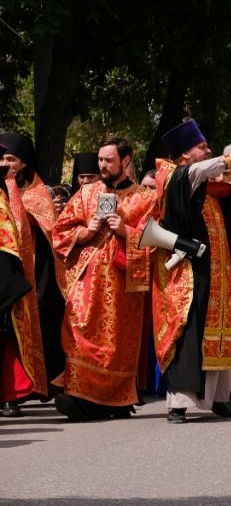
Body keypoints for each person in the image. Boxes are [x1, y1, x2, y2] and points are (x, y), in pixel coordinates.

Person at [151, 123, 231, 423]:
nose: (208, 151)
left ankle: (218, 396)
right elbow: (195, 173)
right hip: (188, 273)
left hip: (221, 272)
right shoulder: (174, 175)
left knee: (221, 332)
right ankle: (178, 402)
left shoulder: (212, 188)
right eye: (202, 147)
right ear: (184, 154)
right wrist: (229, 158)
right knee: (189, 332)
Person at [49, 136, 156, 421]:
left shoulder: (145, 199)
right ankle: (78, 393)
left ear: (125, 161)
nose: (103, 165)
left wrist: (125, 231)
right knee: (79, 330)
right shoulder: (86, 193)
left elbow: (155, 243)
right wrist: (86, 230)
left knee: (116, 343)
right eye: (100, 160)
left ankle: (113, 400)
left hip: (123, 285)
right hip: (86, 282)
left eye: (109, 160)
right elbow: (59, 233)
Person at [1, 131, 65, 396]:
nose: (5, 163)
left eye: (10, 158)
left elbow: (52, 230)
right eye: (1, 158)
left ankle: (39, 382)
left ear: (24, 163)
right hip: (8, 266)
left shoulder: (39, 194)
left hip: (36, 270)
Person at [0, 138, 47, 417]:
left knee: (7, 337)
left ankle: (9, 395)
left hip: (10, 276)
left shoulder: (8, 197)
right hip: (8, 274)